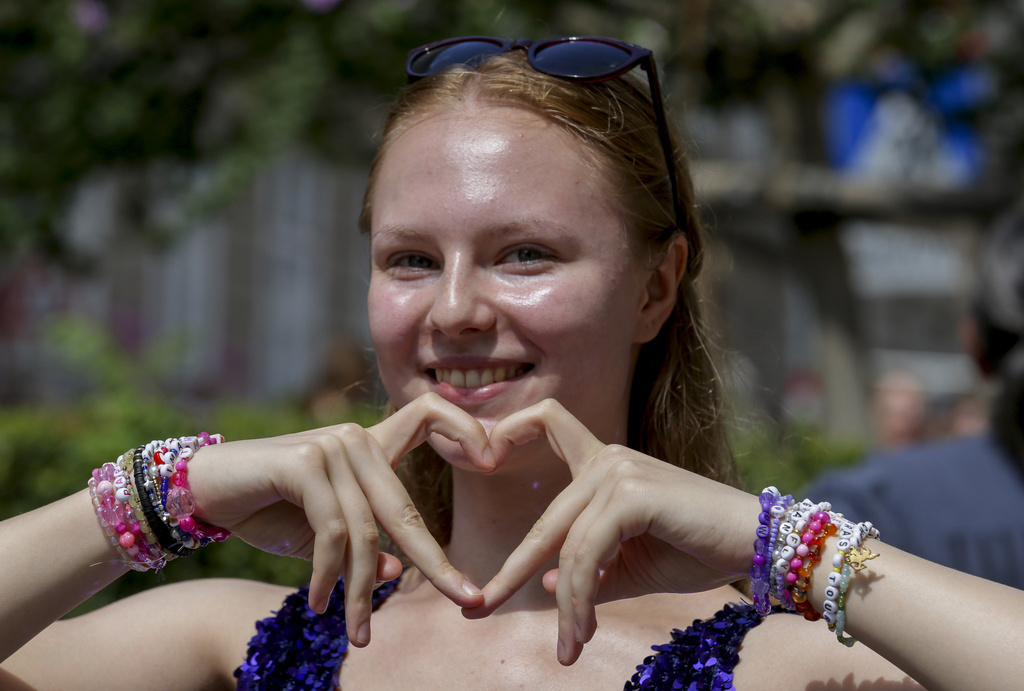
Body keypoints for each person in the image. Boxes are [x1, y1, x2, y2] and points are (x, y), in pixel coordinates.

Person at [1, 36, 1022, 691]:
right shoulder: (236, 644)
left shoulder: (786, 660)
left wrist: (772, 541)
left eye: (522, 253)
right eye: (409, 259)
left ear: (657, 287)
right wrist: (167, 490)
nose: (452, 311)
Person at [805, 209, 1024, 589]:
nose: (903, 418)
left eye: (910, 407)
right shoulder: (880, 503)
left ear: (974, 341)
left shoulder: (868, 511)